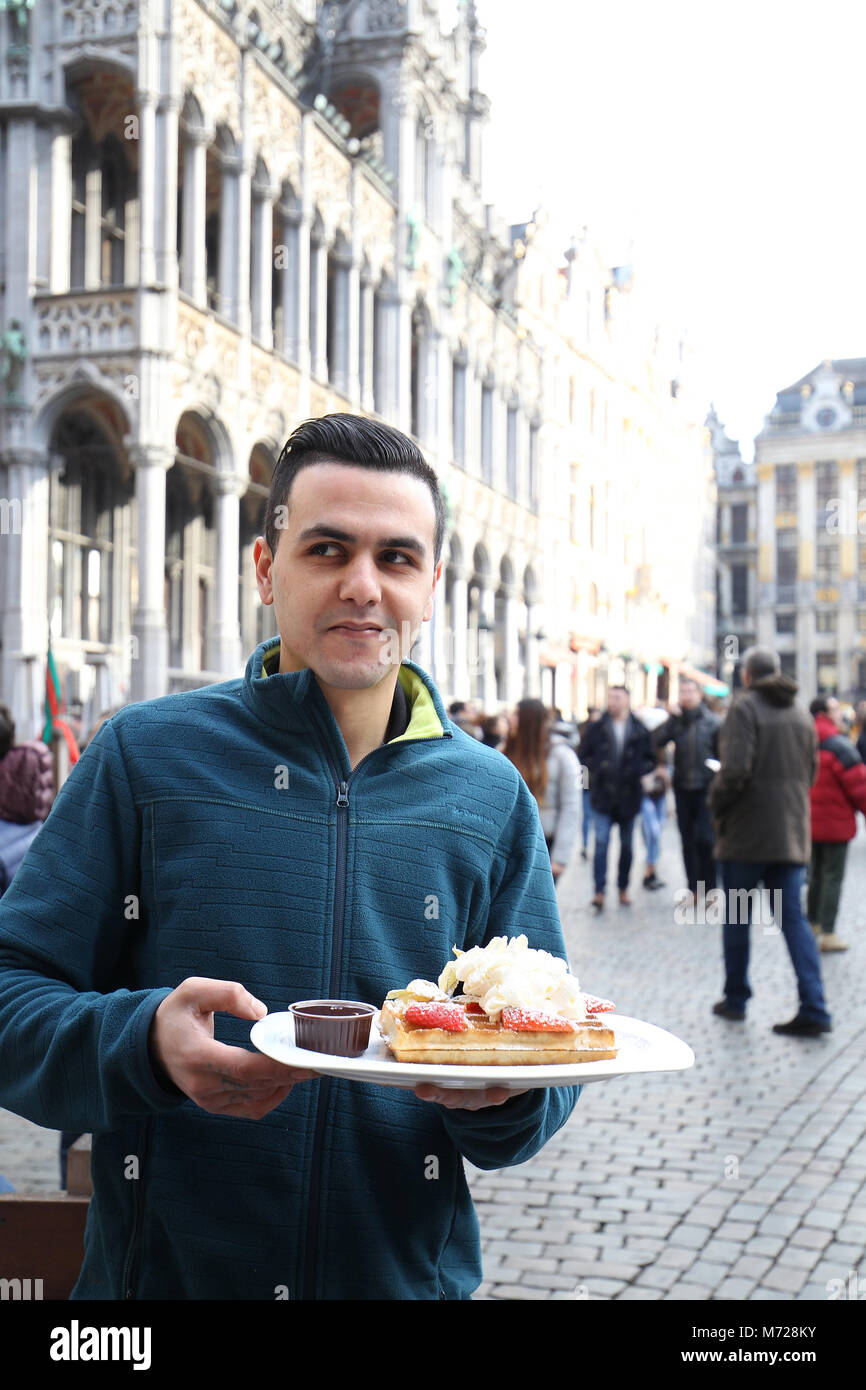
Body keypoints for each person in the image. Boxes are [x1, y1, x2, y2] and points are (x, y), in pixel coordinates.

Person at [0, 414, 580, 1301]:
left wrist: (503, 1099)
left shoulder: (489, 796)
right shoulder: (143, 758)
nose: (362, 586)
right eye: (326, 549)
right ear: (266, 570)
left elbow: (551, 1052)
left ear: (431, 585)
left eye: (395, 558)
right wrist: (143, 1042)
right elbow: (11, 999)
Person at [708, 646, 832, 1037]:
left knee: (738, 918)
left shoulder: (744, 709)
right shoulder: (801, 713)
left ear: (747, 675)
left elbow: (736, 771)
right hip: (790, 836)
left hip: (747, 836)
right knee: (793, 919)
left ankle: (736, 997)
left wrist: (717, 804)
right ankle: (815, 1005)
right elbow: (810, 774)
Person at [577, 687, 655, 910]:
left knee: (627, 846)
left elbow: (651, 758)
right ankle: (599, 890)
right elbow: (583, 756)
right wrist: (595, 772)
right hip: (603, 796)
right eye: (610, 697)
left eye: (617, 698)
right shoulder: (597, 727)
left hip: (629, 798)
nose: (612, 702)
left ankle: (623, 888)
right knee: (600, 844)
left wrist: (638, 770)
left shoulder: (639, 729)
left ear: (628, 700)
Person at [652, 677, 721, 900]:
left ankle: (710, 888)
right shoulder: (676, 722)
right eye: (682, 692)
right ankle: (692, 887)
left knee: (706, 839)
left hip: (706, 788)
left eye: (691, 691)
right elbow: (657, 741)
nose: (686, 696)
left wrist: (716, 775)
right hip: (682, 788)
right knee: (687, 839)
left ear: (699, 695)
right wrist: (671, 719)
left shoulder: (713, 722)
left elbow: (723, 754)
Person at [807, 695, 866, 953]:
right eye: (834, 709)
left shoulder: (803, 740)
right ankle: (828, 932)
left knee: (816, 874)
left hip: (808, 820)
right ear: (825, 713)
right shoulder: (839, 745)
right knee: (832, 876)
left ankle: (813, 924)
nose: (840, 713)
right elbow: (859, 786)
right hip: (835, 822)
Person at [502, 699, 581, 885]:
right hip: (508, 843)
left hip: (544, 843)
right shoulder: (504, 752)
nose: (509, 719)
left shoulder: (562, 755)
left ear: (528, 720)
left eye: (515, 715)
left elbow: (571, 805)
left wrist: (560, 857)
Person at [639, 751, 671, 890]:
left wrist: (664, 773)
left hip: (660, 795)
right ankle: (649, 871)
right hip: (646, 794)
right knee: (652, 832)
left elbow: (670, 781)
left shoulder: (665, 752)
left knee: (656, 832)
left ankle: (651, 871)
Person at [576, 706, 601, 861]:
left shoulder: (585, 728)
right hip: (589, 778)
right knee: (588, 815)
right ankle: (586, 844)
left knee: (588, 815)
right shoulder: (589, 729)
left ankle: (586, 844)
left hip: (588, 778)